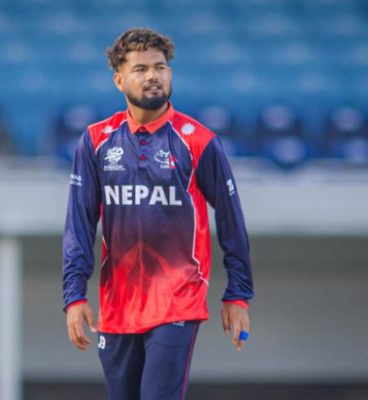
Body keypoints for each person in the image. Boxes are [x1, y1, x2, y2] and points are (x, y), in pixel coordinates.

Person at [62, 28, 254, 400]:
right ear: (119, 80)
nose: (153, 76)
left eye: (160, 67)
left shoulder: (199, 141)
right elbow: (79, 226)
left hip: (177, 300)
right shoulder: (96, 141)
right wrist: (74, 296)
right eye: (140, 69)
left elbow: (232, 220)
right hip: (117, 306)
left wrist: (238, 294)